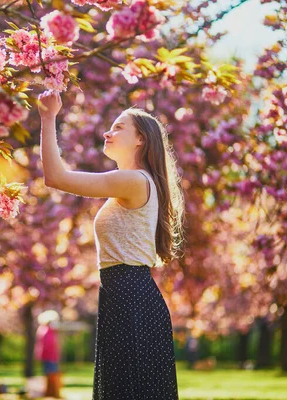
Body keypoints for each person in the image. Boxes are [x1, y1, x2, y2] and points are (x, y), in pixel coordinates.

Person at [38, 91, 184, 399]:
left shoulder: (133, 181)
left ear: (141, 139)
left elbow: (55, 177)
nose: (107, 132)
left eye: (118, 127)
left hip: (130, 297)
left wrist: (48, 116)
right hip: (124, 296)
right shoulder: (132, 181)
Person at [34, 310, 61, 398]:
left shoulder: (49, 330)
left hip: (51, 356)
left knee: (51, 373)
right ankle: (51, 392)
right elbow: (47, 345)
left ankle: (52, 392)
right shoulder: (45, 330)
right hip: (48, 356)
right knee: (51, 374)